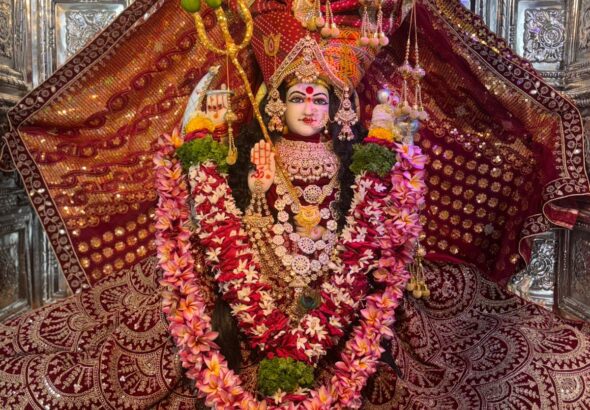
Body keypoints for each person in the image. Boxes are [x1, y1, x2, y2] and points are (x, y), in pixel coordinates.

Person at [1, 0, 589, 408]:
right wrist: (247, 188)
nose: (310, 108)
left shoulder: (362, 160)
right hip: (259, 283)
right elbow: (228, 230)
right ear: (276, 106)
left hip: (348, 299)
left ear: (338, 109)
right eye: (299, 97)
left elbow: (372, 233)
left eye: (320, 99)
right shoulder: (249, 153)